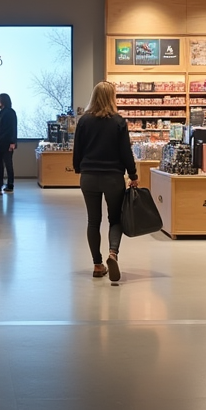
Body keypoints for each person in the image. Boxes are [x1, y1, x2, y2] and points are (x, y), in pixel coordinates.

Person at [72, 81, 139, 282]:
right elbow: (125, 152)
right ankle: (113, 254)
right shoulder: (118, 121)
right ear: (112, 97)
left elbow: (78, 149)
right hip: (113, 177)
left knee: (93, 221)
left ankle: (97, 264)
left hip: (89, 177)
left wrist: (79, 168)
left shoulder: (84, 121)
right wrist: (133, 175)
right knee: (115, 219)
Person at [0, 92, 17, 194]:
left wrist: (13, 142)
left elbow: (13, 128)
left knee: (8, 164)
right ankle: (0, 182)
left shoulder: (10, 112)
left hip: (7, 142)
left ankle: (10, 184)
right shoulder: (1, 112)